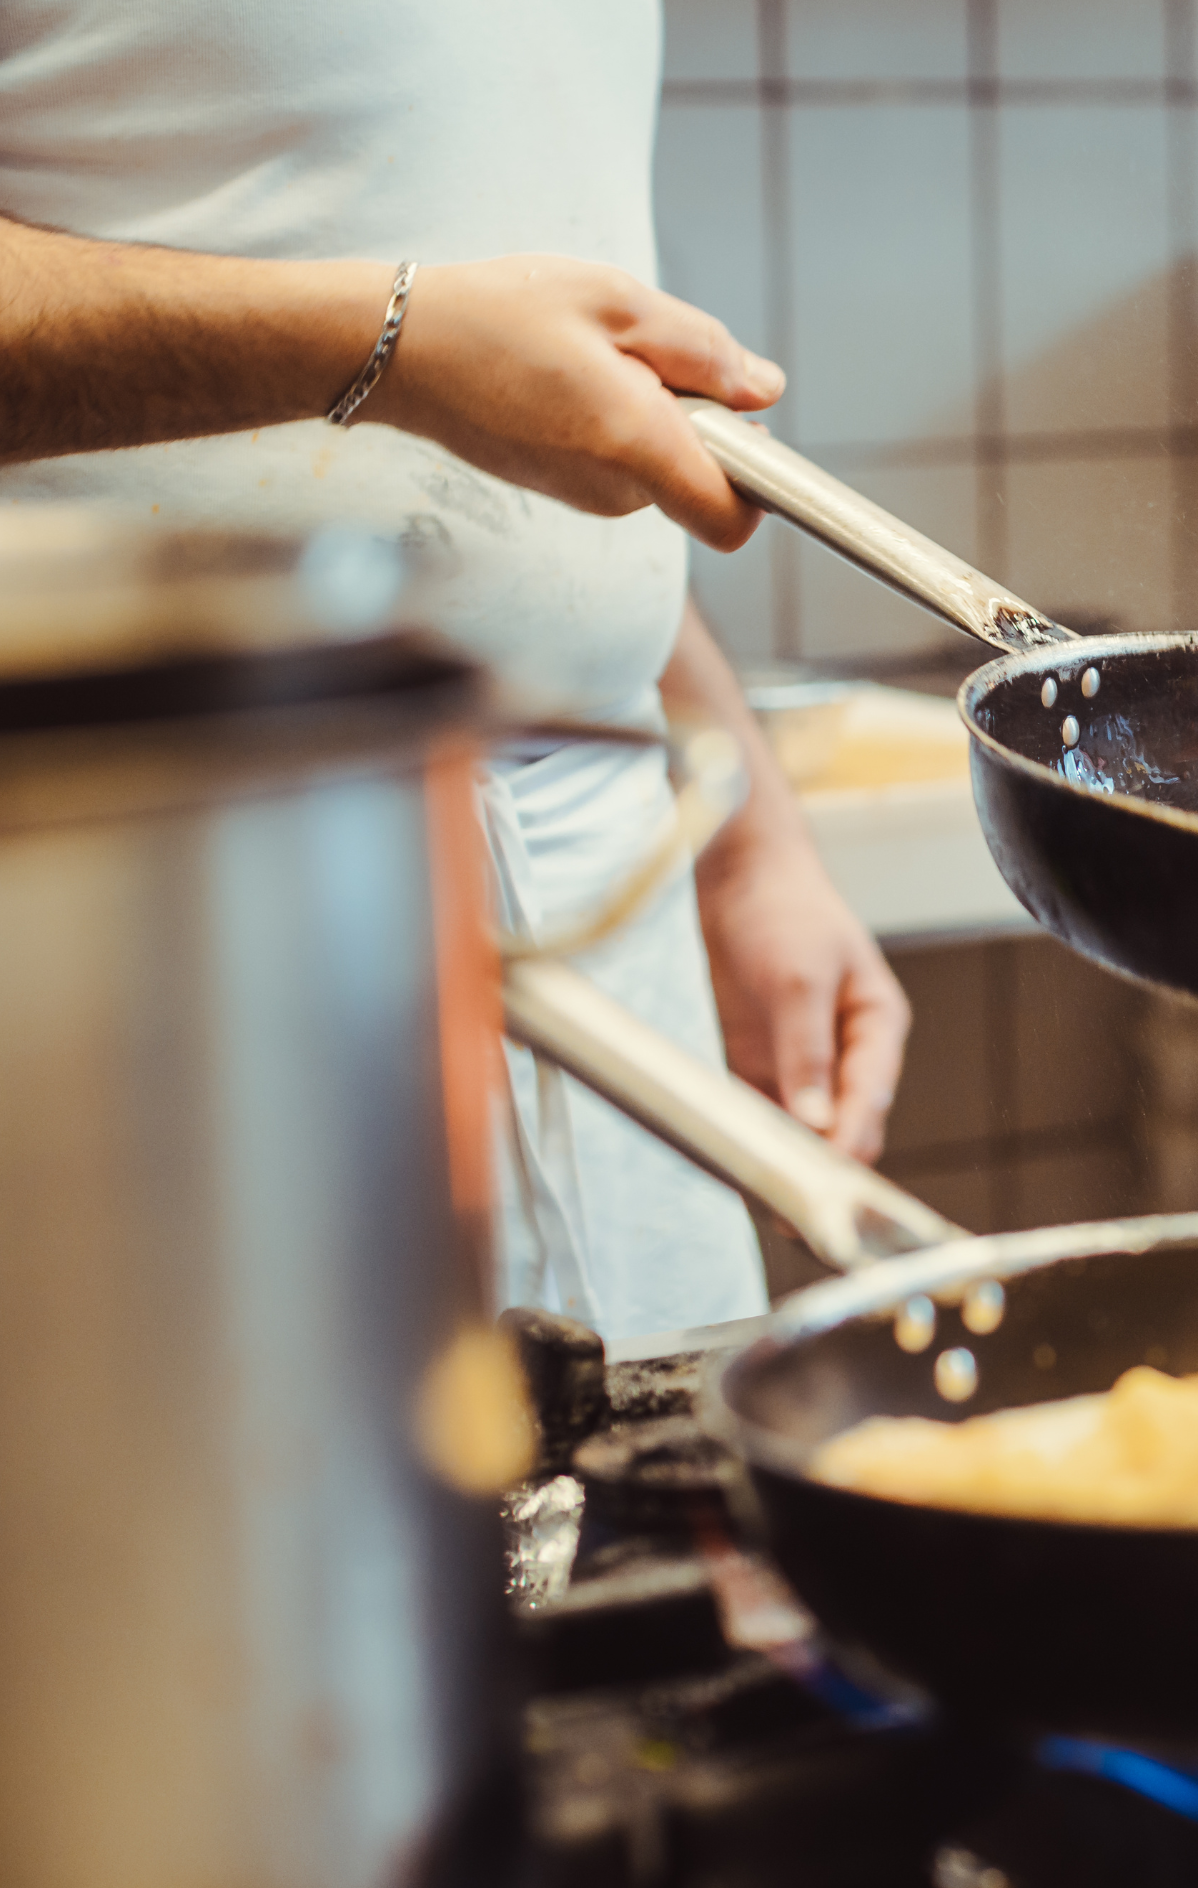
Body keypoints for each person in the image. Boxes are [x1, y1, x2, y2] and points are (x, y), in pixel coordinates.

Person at [0, 2, 910, 1339]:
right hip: (166, 929)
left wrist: (744, 840)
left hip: (612, 951)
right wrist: (394, 340)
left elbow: (530, 413)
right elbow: (446, 338)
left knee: (674, 1526)